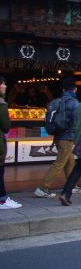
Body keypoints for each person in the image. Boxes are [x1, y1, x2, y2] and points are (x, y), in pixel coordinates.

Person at [34, 77, 81, 198]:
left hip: (58, 136)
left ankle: (72, 185)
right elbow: (77, 122)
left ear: (63, 89)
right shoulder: (75, 103)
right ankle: (42, 188)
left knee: (70, 161)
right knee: (59, 163)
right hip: (67, 137)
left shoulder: (55, 101)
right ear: (75, 89)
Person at [0, 77, 21, 210]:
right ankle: (3, 199)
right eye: (4, 84)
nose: (6, 86)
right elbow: (6, 125)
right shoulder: (1, 103)